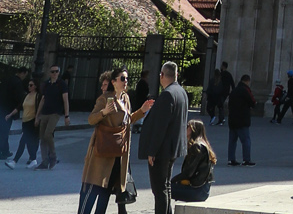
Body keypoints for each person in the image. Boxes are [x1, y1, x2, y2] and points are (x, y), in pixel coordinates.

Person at [79, 64, 132, 214]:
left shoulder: (126, 98)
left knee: (105, 192)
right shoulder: (104, 99)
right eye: (122, 78)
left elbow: (127, 121)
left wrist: (142, 111)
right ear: (114, 82)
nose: (125, 81)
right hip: (102, 151)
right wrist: (104, 112)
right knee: (91, 190)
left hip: (117, 153)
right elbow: (91, 119)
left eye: (127, 78)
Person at [138, 61, 189, 214]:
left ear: (162, 75)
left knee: (159, 190)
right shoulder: (181, 92)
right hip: (173, 148)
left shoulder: (167, 94)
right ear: (176, 75)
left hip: (162, 150)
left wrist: (152, 151)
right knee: (165, 187)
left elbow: (160, 127)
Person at [35, 60, 70, 169]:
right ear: (49, 73)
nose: (54, 73)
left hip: (55, 113)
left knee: (48, 134)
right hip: (45, 113)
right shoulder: (46, 84)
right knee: (42, 138)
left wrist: (66, 116)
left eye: (56, 71)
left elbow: (65, 100)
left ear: (59, 72)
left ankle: (53, 156)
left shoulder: (61, 84)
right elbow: (42, 100)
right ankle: (45, 161)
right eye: (52, 71)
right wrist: (37, 115)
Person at [171, 121, 216, 203]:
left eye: (187, 126)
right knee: (166, 189)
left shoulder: (196, 146)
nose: (185, 129)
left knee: (163, 189)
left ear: (193, 130)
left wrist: (171, 181)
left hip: (197, 190)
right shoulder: (202, 144)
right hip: (203, 189)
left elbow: (188, 173)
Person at [5, 77, 41, 168]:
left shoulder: (38, 96)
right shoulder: (26, 96)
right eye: (28, 85)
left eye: (31, 85)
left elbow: (40, 109)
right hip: (25, 121)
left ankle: (14, 161)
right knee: (29, 142)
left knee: (23, 141)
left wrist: (37, 119)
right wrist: (10, 115)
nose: (29, 87)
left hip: (32, 122)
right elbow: (19, 107)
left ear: (35, 86)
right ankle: (33, 159)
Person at [227, 73, 256, 166]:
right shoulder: (246, 90)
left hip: (232, 119)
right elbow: (252, 102)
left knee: (232, 141)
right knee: (246, 140)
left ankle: (231, 160)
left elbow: (229, 104)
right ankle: (246, 160)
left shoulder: (234, 91)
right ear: (247, 81)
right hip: (242, 119)